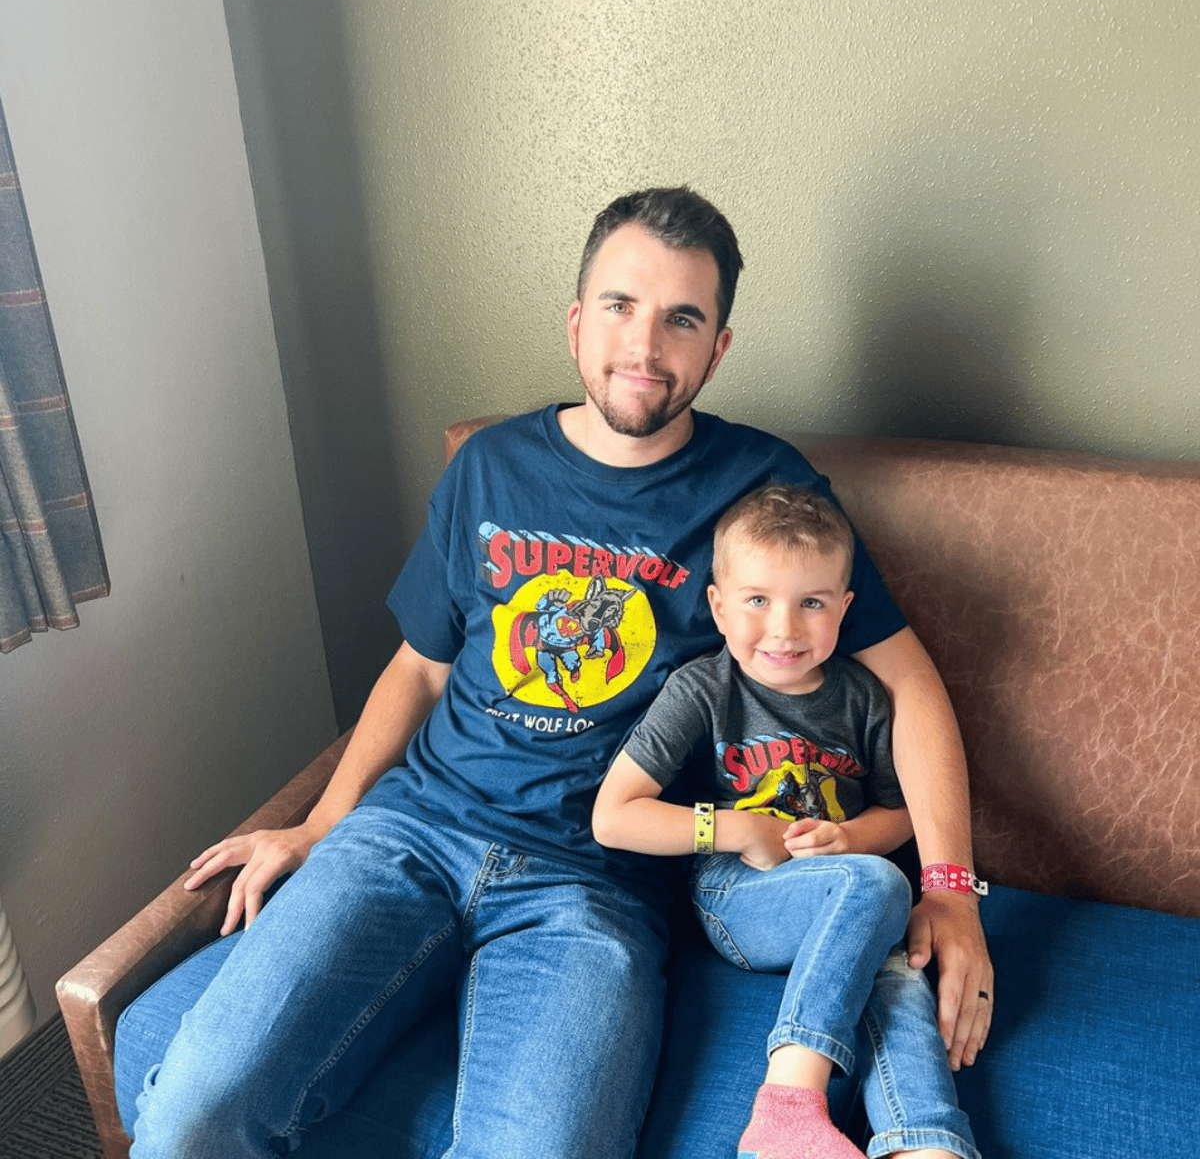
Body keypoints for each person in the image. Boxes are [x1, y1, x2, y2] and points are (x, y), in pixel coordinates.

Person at [127, 187, 991, 1159]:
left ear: (718, 349)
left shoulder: (763, 488)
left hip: (595, 883)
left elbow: (908, 685)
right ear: (578, 322)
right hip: (409, 833)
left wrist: (951, 887)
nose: (646, 342)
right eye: (621, 305)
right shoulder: (488, 466)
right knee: (190, 1111)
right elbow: (417, 671)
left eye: (683, 319)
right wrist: (322, 824)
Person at [592, 484, 979, 1159]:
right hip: (739, 895)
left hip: (844, 895)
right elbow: (613, 816)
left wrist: (852, 838)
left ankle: (925, 1144)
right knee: (884, 888)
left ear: (844, 609)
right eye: (757, 600)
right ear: (717, 604)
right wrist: (738, 830)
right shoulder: (702, 691)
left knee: (898, 975)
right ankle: (787, 1109)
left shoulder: (863, 698)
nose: (785, 629)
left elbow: (900, 813)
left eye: (812, 604)